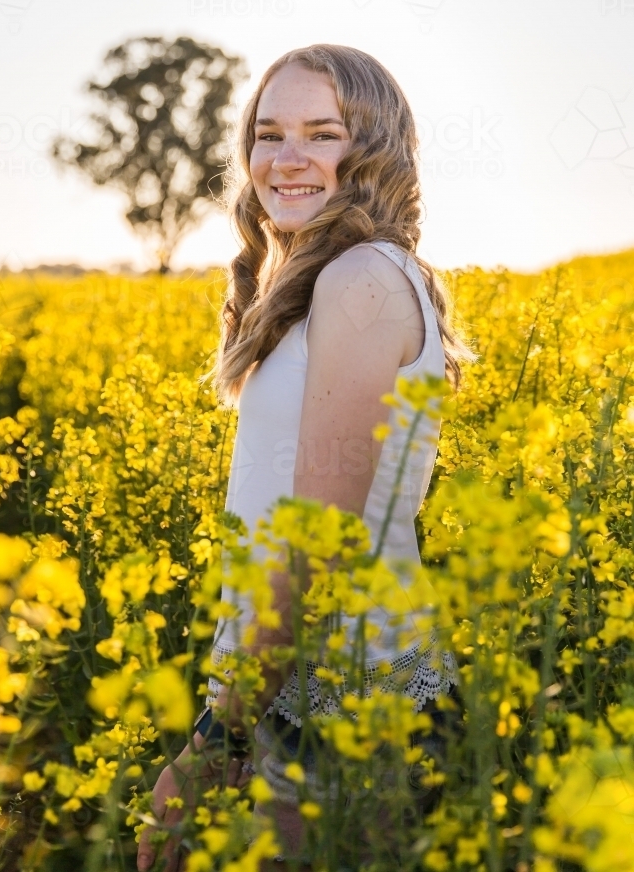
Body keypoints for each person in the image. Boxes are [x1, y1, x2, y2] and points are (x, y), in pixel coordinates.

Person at [137, 44, 468, 872]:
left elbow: (318, 540)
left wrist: (210, 744)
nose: (284, 159)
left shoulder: (357, 278)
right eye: (267, 132)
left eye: (321, 133)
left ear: (374, 150)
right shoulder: (330, 274)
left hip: (346, 690)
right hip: (304, 675)